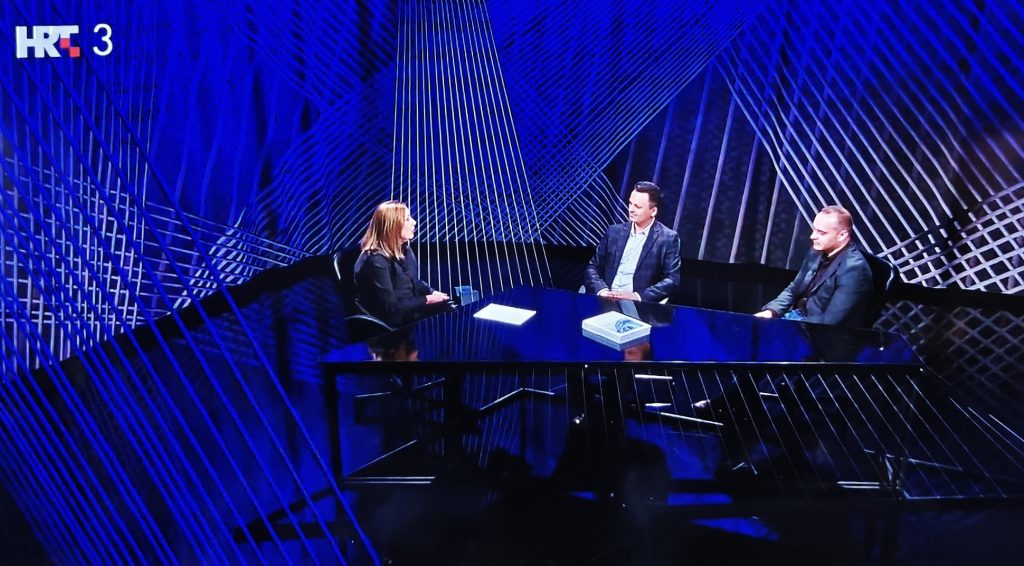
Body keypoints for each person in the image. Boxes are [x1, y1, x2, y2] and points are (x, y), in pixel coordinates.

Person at [755, 205, 874, 327]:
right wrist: (772, 311)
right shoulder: (817, 251)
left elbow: (831, 321)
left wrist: (789, 327)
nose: (812, 236)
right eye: (814, 230)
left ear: (842, 235)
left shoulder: (854, 269)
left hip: (817, 329)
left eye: (821, 233)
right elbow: (795, 288)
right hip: (797, 317)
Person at [354, 201, 451, 328]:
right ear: (392, 226)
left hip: (411, 311)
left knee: (453, 310)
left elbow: (413, 281)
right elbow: (390, 307)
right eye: (407, 219)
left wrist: (431, 292)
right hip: (393, 322)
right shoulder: (374, 260)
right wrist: (427, 299)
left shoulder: (405, 249)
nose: (414, 222)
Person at [583, 181, 681, 302]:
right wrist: (602, 291)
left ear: (653, 211)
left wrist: (637, 296)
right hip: (606, 298)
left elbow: (672, 280)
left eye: (637, 207)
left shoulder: (668, 238)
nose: (631, 210)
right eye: (630, 204)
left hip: (638, 303)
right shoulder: (614, 232)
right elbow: (593, 267)